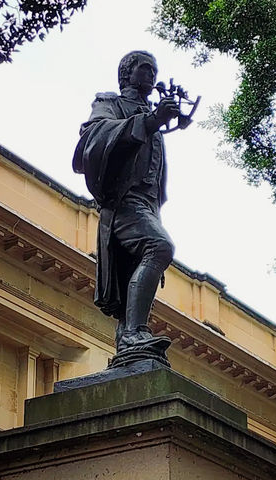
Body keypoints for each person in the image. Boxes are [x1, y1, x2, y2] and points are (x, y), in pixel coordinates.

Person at [72, 51, 184, 361]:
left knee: (139, 264)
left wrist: (158, 119)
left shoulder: (151, 113)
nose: (151, 74)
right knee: (159, 247)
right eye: (144, 68)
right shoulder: (109, 103)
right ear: (127, 74)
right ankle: (135, 331)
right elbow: (94, 140)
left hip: (147, 204)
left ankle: (128, 337)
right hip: (123, 201)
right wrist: (149, 122)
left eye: (154, 70)